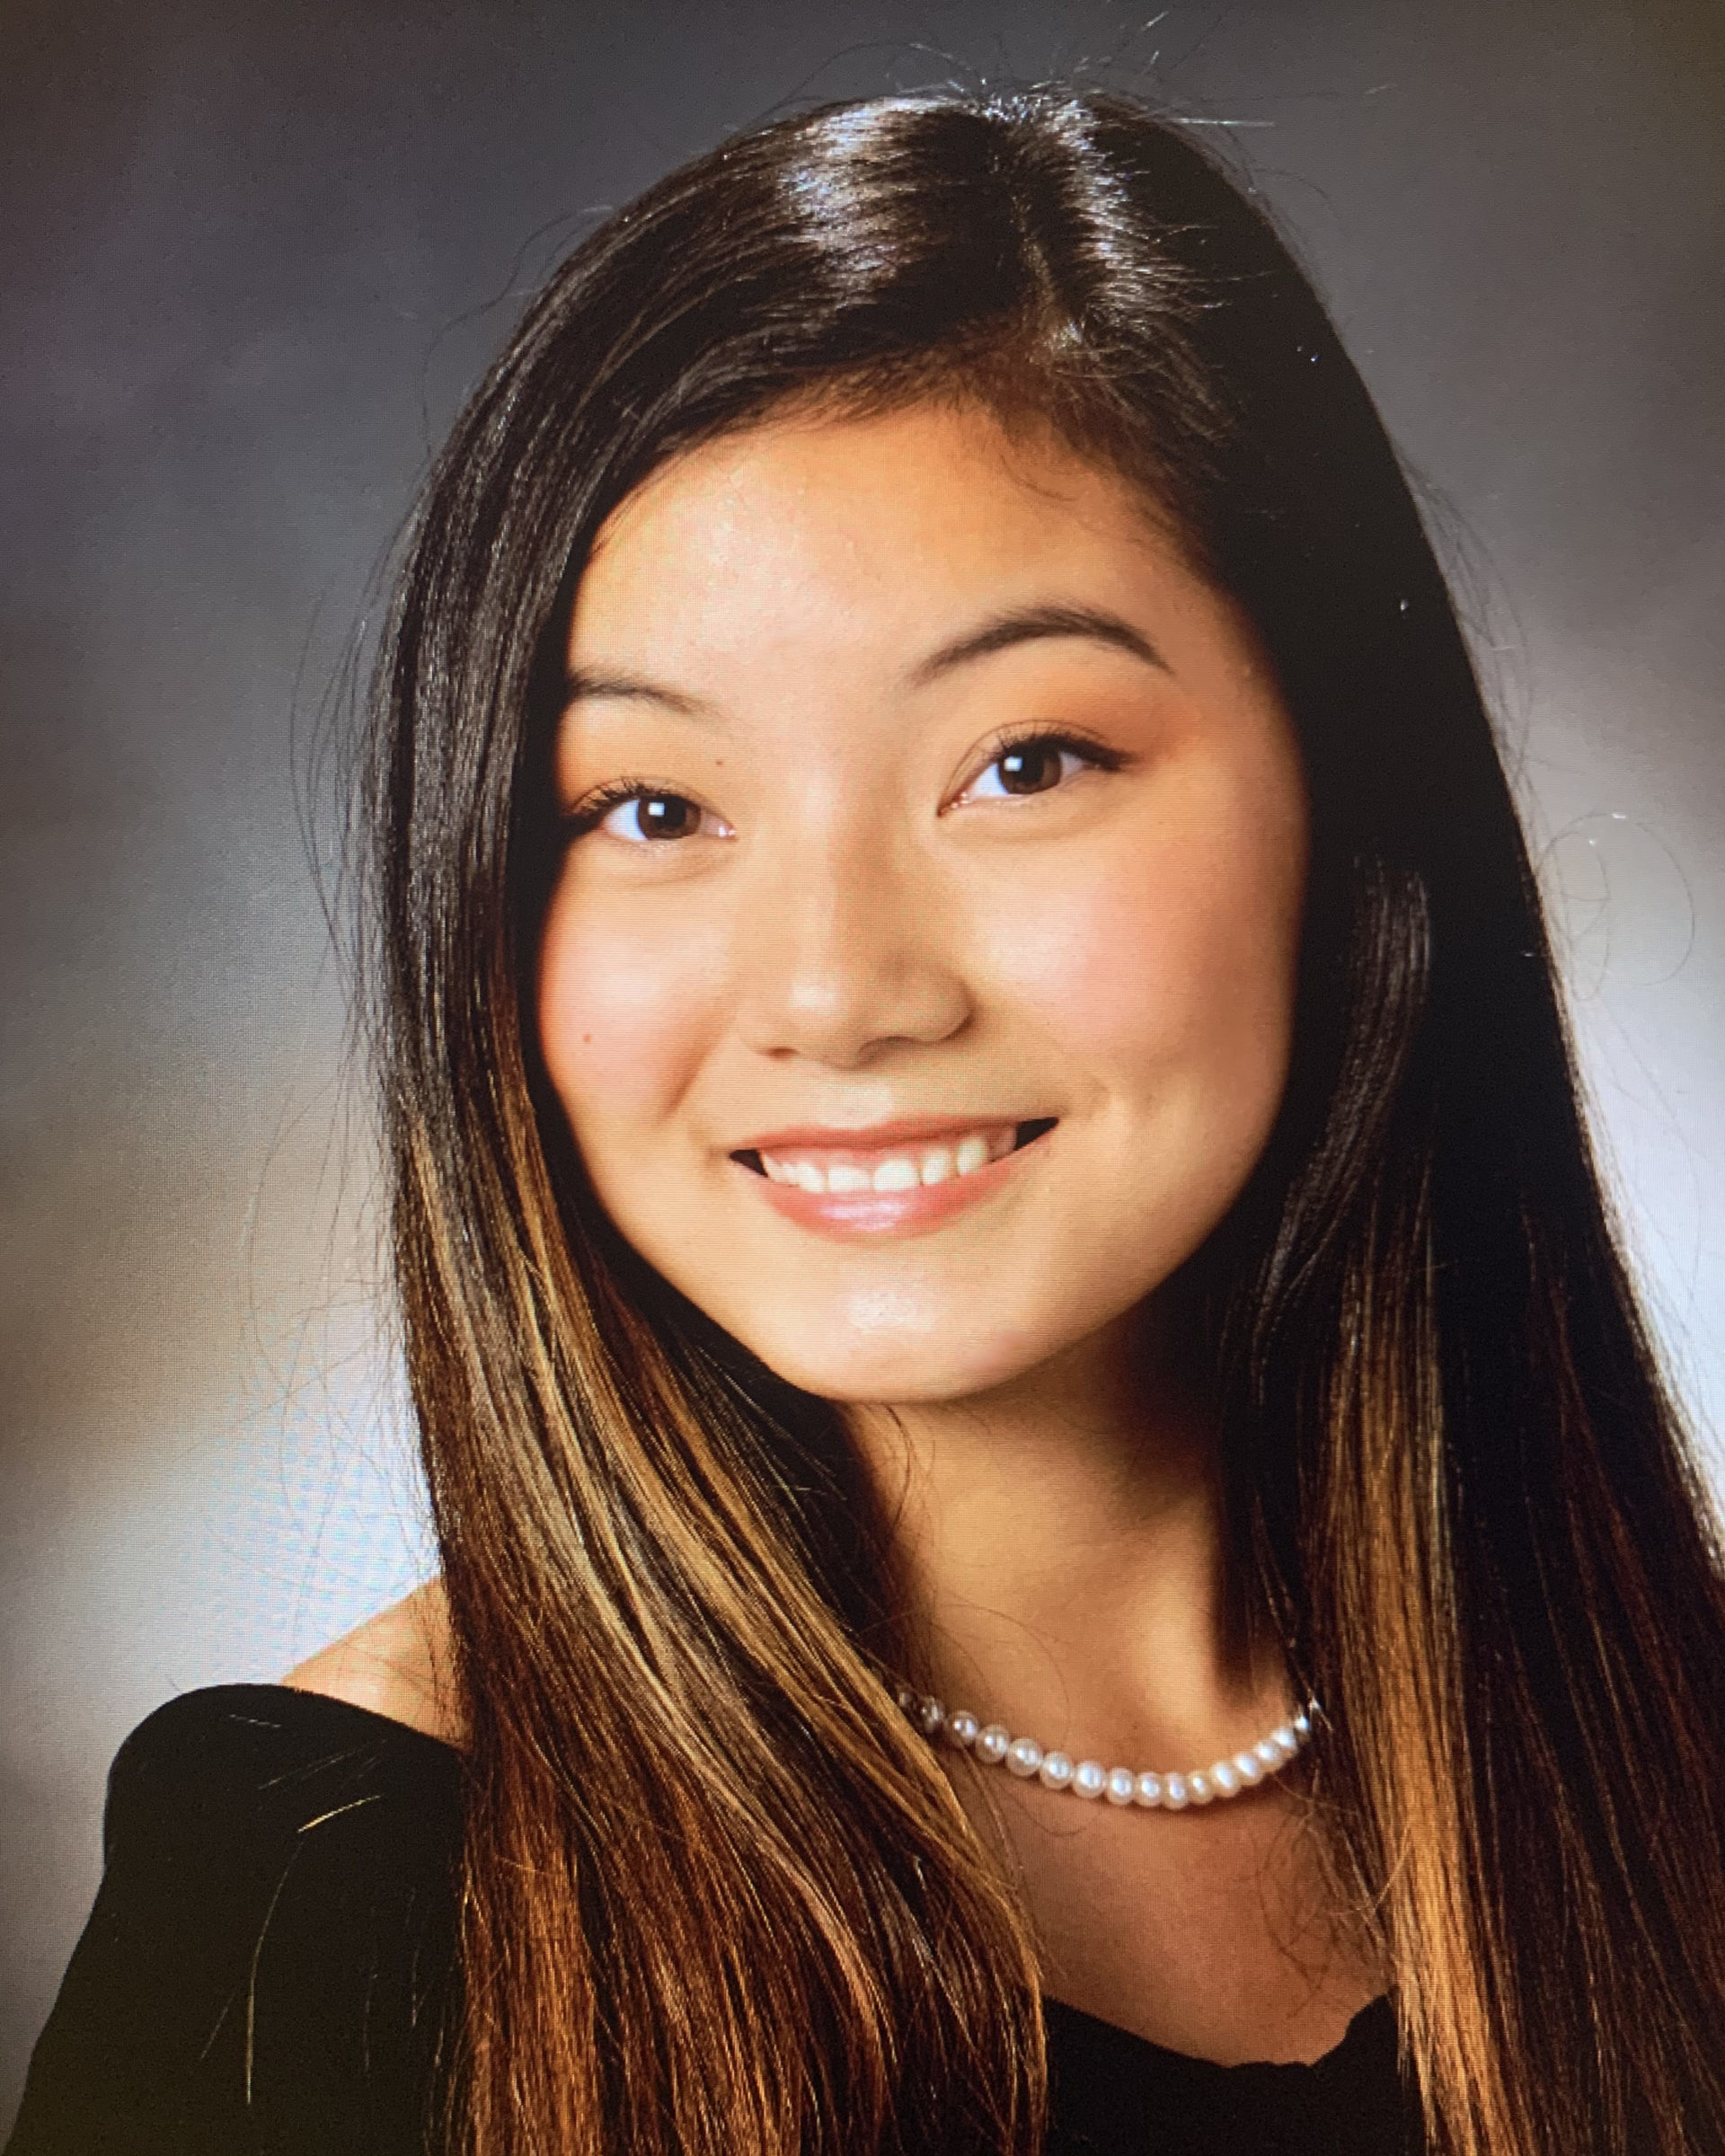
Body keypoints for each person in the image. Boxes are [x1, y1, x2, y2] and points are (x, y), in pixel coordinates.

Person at [9, 84, 1725, 2156]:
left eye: (1023, 763)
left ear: (1350, 809)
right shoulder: (330, 1903)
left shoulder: (1656, 1744)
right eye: (654, 809)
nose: (837, 989)